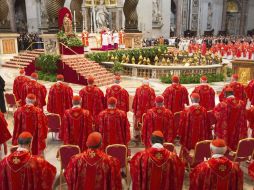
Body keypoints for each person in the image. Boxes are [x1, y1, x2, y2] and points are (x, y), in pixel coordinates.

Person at [214, 87, 247, 151]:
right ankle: (237, 151)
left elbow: (215, 116)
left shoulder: (222, 104)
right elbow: (245, 116)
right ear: (233, 93)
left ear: (225, 94)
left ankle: (225, 151)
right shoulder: (241, 103)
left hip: (227, 131)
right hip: (237, 129)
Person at [132, 78, 156, 142]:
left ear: (142, 83)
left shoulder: (138, 89)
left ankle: (136, 136)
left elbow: (135, 100)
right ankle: (148, 135)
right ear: (148, 83)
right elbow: (153, 102)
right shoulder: (152, 90)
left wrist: (134, 109)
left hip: (139, 112)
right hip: (149, 112)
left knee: (136, 120)